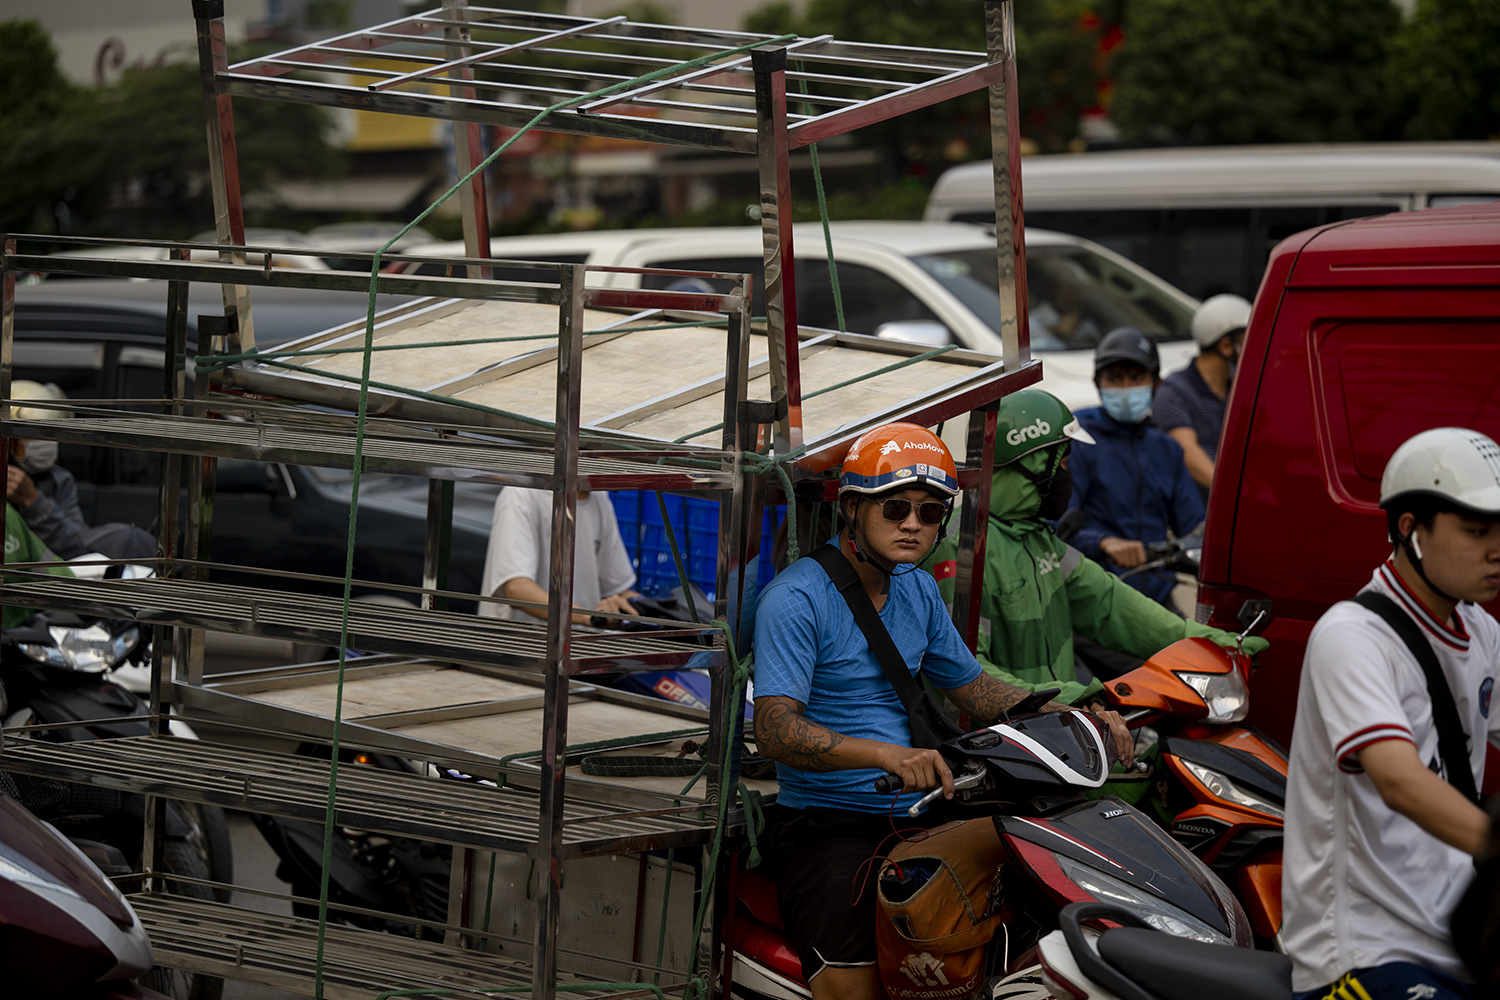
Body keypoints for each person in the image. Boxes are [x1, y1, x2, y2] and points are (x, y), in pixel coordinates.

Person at [752, 422, 1133, 1000]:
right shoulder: (796, 598)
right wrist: (887, 755)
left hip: (928, 808)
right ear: (853, 508)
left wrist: (1076, 712)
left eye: (929, 513)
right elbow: (776, 729)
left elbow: (974, 688)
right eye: (895, 507)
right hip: (831, 827)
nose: (912, 523)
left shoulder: (918, 589)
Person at [1282, 427, 1500, 1000]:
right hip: (1362, 951)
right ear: (1410, 531)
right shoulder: (1353, 636)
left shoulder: (1479, 628)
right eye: (1477, 531)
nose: (1496, 549)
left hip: (1454, 934)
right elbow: (1400, 780)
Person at [926, 389, 1265, 706]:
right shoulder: (964, 548)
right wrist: (1076, 698)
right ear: (1031, 465)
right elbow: (966, 672)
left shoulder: (1037, 538)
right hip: (1007, 742)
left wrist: (1204, 639)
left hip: (1059, 731)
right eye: (1060, 464)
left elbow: (1109, 603)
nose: (1065, 474)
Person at [1069, 327, 1204, 609]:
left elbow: (1194, 528)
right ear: (1098, 383)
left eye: (1136, 378)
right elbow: (1057, 527)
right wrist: (1104, 542)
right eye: (1115, 379)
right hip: (1097, 599)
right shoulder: (1079, 439)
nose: (1126, 388)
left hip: (1157, 597)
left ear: (1156, 383)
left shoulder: (1166, 449)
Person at [6, 381, 155, 560]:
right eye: (33, 437)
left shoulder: (60, 480)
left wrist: (33, 501)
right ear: (9, 441)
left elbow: (78, 544)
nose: (45, 444)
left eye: (49, 435)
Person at [479, 486, 638, 623]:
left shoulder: (600, 497)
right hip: (521, 648)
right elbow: (516, 589)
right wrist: (589, 618)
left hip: (579, 644)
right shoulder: (521, 495)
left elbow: (617, 588)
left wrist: (649, 609)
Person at [1153, 293, 1251, 501]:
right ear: (1226, 346)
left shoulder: (1240, 388)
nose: (1253, 348)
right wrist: (1239, 497)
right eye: (1246, 341)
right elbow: (1187, 451)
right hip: (1198, 514)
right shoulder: (1174, 391)